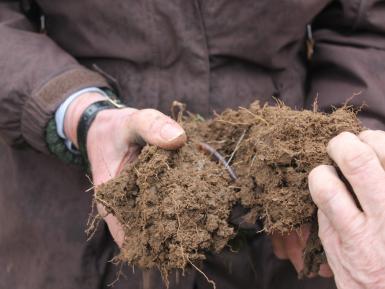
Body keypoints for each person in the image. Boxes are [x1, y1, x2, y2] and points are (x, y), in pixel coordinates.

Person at [0, 0, 384, 289]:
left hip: (279, 230)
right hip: (68, 216)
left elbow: (362, 26)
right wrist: (78, 113)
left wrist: (337, 163)